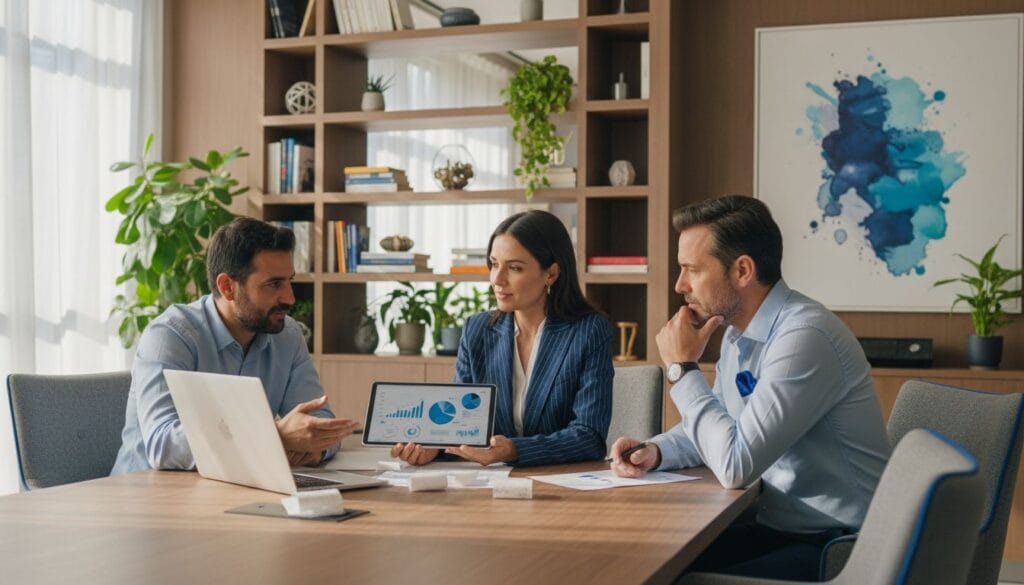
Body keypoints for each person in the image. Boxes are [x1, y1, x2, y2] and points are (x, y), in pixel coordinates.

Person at [609, 195, 890, 581]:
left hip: (841, 548)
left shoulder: (803, 337)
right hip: (782, 528)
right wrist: (656, 451)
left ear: (742, 270)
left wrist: (682, 369)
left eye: (691, 269)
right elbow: (719, 427)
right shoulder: (738, 333)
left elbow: (734, 465)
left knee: (670, 576)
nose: (679, 285)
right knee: (645, 559)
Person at [111, 217, 357, 475]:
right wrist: (275, 437)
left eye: (289, 281)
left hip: (229, 487)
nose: (289, 298)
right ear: (227, 287)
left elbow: (321, 423)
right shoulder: (170, 336)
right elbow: (163, 447)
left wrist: (315, 449)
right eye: (274, 284)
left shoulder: (288, 335)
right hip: (144, 498)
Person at [392, 210, 614, 467]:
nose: (497, 279)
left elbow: (589, 437)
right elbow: (460, 425)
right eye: (494, 264)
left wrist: (514, 450)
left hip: (560, 486)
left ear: (551, 274)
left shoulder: (589, 331)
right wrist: (436, 448)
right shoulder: (477, 330)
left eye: (514, 268)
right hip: (489, 487)